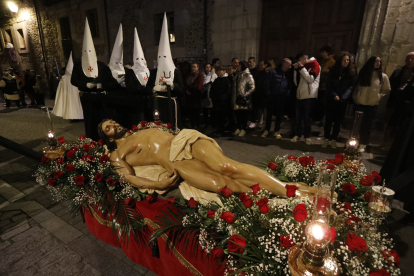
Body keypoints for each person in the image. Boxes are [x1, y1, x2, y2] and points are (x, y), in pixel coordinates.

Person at [98, 119, 316, 198]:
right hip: (175, 162)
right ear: (106, 137)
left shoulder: (140, 129)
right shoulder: (117, 154)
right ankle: (281, 194)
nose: (114, 125)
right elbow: (129, 178)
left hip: (183, 141)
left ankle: (292, 192)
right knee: (220, 184)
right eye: (108, 127)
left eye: (112, 122)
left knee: (227, 166)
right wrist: (158, 183)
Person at [352, 56, 391, 152]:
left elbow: (387, 89)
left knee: (367, 125)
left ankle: (363, 143)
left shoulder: (383, 76)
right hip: (360, 102)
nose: (378, 63)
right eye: (376, 61)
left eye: (379, 62)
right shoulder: (363, 74)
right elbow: (356, 86)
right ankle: (353, 142)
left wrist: (379, 96)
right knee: (357, 124)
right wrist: (356, 96)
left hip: (372, 104)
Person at [322, 52, 357, 148]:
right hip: (331, 99)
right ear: (340, 61)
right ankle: (326, 139)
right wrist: (334, 95)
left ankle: (333, 139)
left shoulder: (351, 72)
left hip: (342, 100)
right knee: (329, 120)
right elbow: (329, 85)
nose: (346, 61)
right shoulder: (333, 71)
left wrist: (344, 97)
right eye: (344, 60)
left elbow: (351, 86)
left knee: (338, 121)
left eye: (348, 60)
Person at [382, 52, 414, 147]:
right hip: (395, 102)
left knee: (402, 126)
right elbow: (390, 85)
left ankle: (397, 145)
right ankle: (386, 143)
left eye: (412, 59)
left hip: (408, 105)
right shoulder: (397, 72)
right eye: (408, 58)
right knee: (390, 123)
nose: (410, 60)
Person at [291, 53, 321, 145]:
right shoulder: (303, 67)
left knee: (306, 117)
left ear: (304, 58)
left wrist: (301, 69)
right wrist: (296, 71)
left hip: (309, 95)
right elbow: (296, 83)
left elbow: (310, 79)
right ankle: (297, 134)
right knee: (298, 117)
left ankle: (307, 136)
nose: (298, 63)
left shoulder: (315, 65)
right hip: (300, 95)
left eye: (299, 60)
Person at [262, 58, 292, 139]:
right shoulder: (273, 72)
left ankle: (276, 130)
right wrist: (269, 95)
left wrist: (287, 93)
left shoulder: (288, 74)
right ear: (284, 64)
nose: (290, 66)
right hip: (272, 96)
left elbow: (289, 85)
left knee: (279, 115)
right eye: (289, 64)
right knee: (269, 114)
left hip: (282, 97)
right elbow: (267, 84)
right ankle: (267, 129)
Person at [53, 52, 84, 120]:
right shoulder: (76, 77)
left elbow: (60, 89)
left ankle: (72, 117)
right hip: (75, 94)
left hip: (68, 94)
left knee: (70, 105)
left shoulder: (64, 78)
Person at [232, 61, 255, 137]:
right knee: (238, 114)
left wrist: (245, 94)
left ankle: (244, 129)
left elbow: (252, 87)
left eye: (239, 65)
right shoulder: (238, 75)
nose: (237, 66)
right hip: (237, 98)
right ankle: (238, 127)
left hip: (244, 99)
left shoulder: (248, 75)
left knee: (244, 115)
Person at [314, 45, 335, 125]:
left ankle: (322, 120)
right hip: (318, 85)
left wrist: (323, 73)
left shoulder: (331, 62)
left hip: (324, 86)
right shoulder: (320, 60)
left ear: (327, 53)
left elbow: (328, 74)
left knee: (323, 104)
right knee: (317, 103)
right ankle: (316, 118)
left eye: (323, 52)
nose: (321, 54)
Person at [210, 66, 231, 136]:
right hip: (216, 101)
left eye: (220, 70)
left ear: (224, 71)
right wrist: (212, 97)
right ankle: (217, 129)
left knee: (222, 117)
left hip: (223, 102)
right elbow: (212, 89)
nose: (219, 72)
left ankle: (222, 130)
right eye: (218, 70)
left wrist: (222, 98)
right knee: (217, 116)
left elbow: (228, 91)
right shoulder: (217, 80)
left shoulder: (226, 80)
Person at [185, 63, 204, 129]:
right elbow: (187, 85)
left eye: (195, 67)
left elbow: (199, 87)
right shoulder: (190, 76)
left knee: (196, 113)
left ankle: (197, 125)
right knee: (191, 112)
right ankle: (192, 124)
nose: (193, 68)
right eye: (192, 67)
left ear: (198, 68)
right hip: (190, 98)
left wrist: (191, 88)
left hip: (196, 97)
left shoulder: (200, 76)